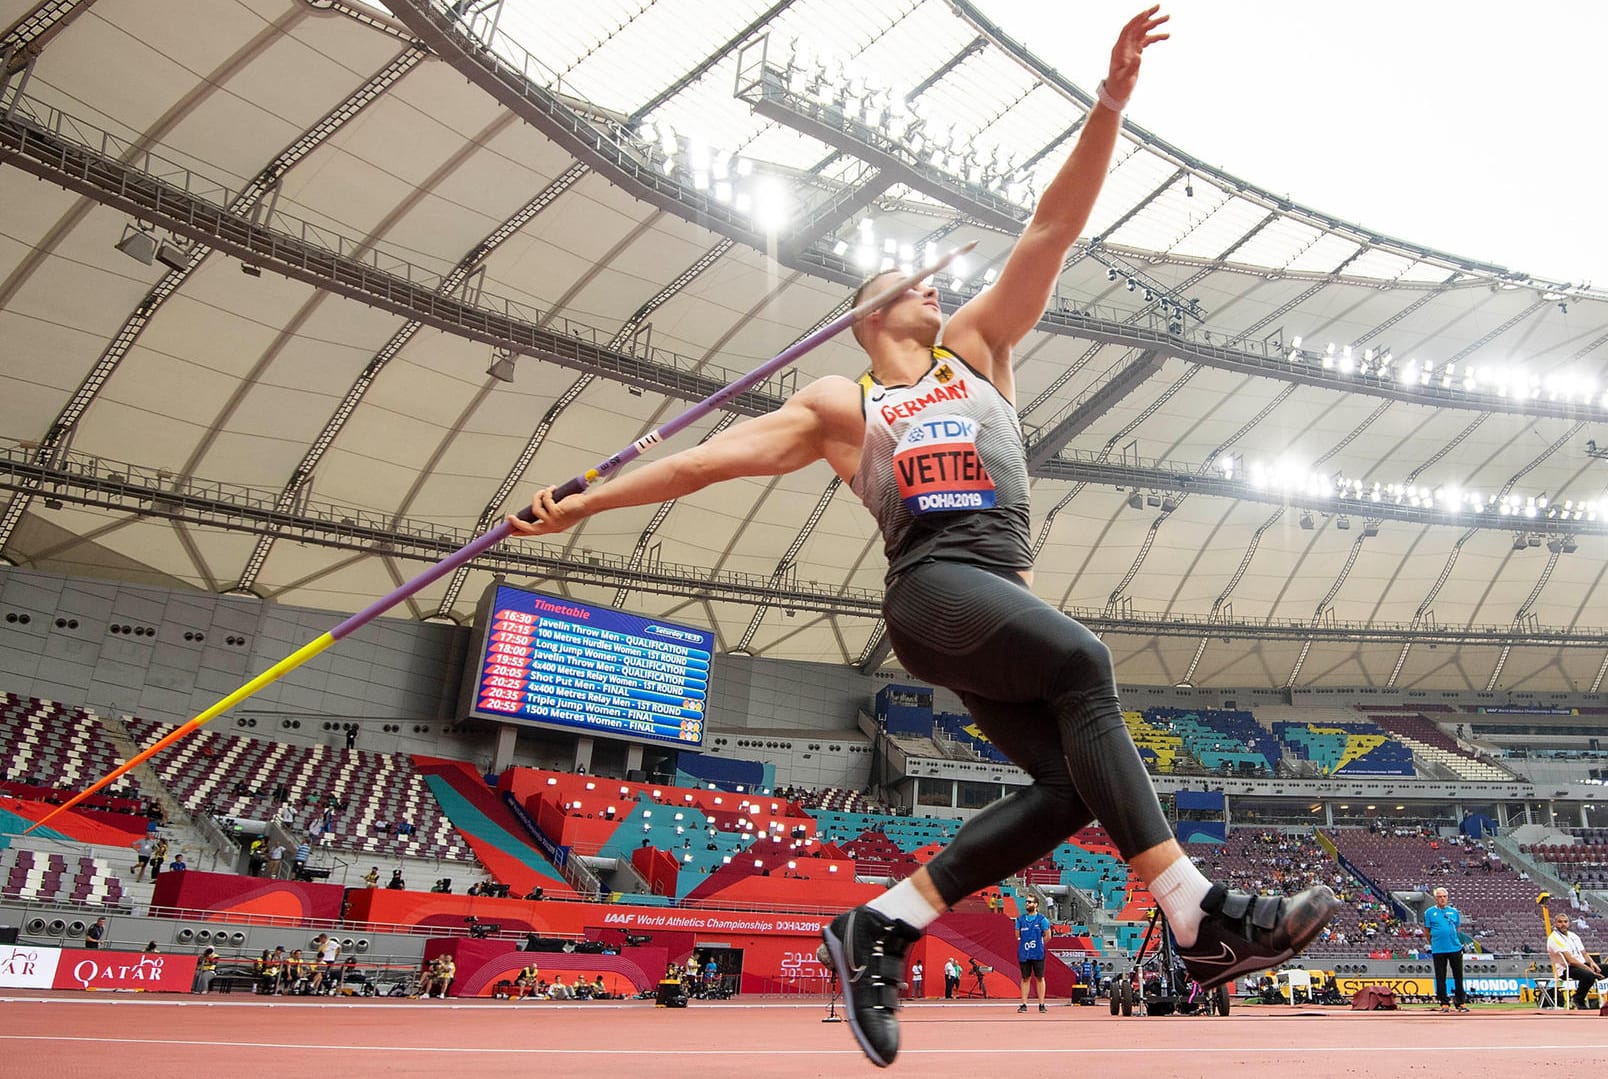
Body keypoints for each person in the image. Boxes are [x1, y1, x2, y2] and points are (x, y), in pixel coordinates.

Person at [506, 6, 1336, 1067]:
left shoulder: (979, 349)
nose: (936, 286)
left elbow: (1052, 227)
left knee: (1071, 783)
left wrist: (1112, 103)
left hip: (1000, 594)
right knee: (1085, 660)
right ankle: (1198, 911)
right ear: (863, 315)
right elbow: (708, 458)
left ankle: (881, 923)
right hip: (934, 591)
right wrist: (581, 500)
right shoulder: (837, 403)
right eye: (910, 283)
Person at [1548, 912, 1605, 1010]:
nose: (1563, 924)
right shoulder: (1554, 938)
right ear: (1555, 923)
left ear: (1569, 923)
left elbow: (1584, 953)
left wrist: (1592, 963)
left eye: (1565, 922)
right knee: (1589, 975)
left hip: (1581, 964)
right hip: (1567, 968)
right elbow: (1571, 960)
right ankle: (1578, 999)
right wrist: (1590, 970)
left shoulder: (1573, 936)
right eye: (1560, 922)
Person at [1423, 887, 1467, 1012]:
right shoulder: (1429, 913)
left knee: (1458, 975)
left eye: (1444, 896)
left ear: (1447, 898)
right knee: (1440, 976)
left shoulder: (1454, 912)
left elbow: (1457, 928)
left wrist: (1453, 939)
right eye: (1439, 896)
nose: (1442, 899)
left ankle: (1460, 1002)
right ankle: (1444, 1002)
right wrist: (1433, 943)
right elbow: (1427, 931)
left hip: (1454, 948)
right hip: (1439, 949)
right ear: (1435, 898)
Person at [1015, 898, 1049, 1013]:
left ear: (1036, 904)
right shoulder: (1020, 919)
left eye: (1029, 902)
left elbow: (1048, 936)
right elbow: (1017, 935)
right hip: (1024, 952)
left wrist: (1038, 944)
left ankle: (1041, 1004)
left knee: (1040, 978)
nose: (1027, 904)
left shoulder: (1042, 920)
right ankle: (1024, 1004)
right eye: (1026, 902)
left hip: (1038, 953)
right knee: (1025, 978)